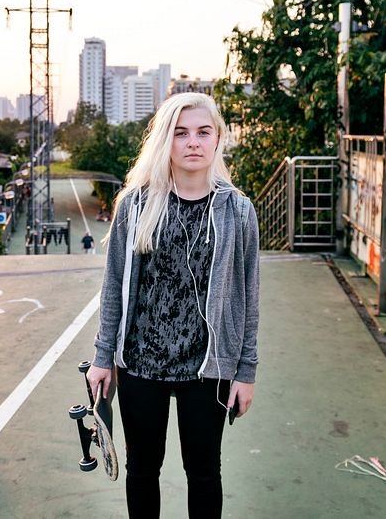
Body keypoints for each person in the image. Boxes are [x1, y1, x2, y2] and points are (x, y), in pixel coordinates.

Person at [87, 92, 260, 518]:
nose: (193, 142)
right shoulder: (136, 204)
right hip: (140, 365)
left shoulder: (238, 211)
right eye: (181, 133)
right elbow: (114, 287)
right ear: (166, 140)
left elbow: (249, 294)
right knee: (142, 470)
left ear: (218, 138)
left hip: (208, 369)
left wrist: (246, 371)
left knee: (204, 472)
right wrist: (101, 358)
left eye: (203, 132)